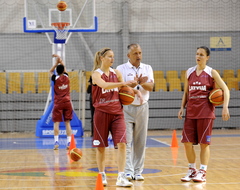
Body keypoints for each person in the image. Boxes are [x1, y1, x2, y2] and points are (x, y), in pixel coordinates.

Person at [91, 47, 143, 187]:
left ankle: (121, 177)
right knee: (101, 147)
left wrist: (134, 91)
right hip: (101, 113)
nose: (112, 59)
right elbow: (104, 85)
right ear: (102, 58)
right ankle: (102, 174)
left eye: (113, 57)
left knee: (122, 144)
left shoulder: (117, 73)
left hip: (117, 113)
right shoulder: (96, 74)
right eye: (109, 57)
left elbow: (122, 90)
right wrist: (123, 83)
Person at [178, 46, 230, 182]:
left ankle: (202, 171)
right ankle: (191, 169)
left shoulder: (212, 72)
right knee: (187, 142)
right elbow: (186, 92)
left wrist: (225, 107)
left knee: (204, 144)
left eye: (201, 54)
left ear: (207, 57)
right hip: (190, 113)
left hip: (206, 113)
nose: (198, 56)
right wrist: (182, 107)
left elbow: (225, 89)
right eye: (197, 54)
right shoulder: (189, 72)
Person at [116, 44, 154, 181]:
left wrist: (142, 83)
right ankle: (128, 171)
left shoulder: (147, 68)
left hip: (143, 107)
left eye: (140, 53)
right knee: (126, 141)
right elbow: (119, 87)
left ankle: (138, 171)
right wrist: (129, 85)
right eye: (135, 53)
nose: (138, 56)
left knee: (140, 141)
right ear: (128, 56)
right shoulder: (120, 68)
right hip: (126, 108)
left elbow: (150, 86)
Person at [50, 54, 73, 150]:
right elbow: (65, 68)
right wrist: (60, 61)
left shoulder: (55, 78)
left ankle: (56, 142)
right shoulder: (67, 77)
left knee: (56, 123)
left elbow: (50, 71)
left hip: (58, 103)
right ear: (63, 70)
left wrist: (56, 64)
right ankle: (68, 143)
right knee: (67, 123)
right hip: (67, 102)